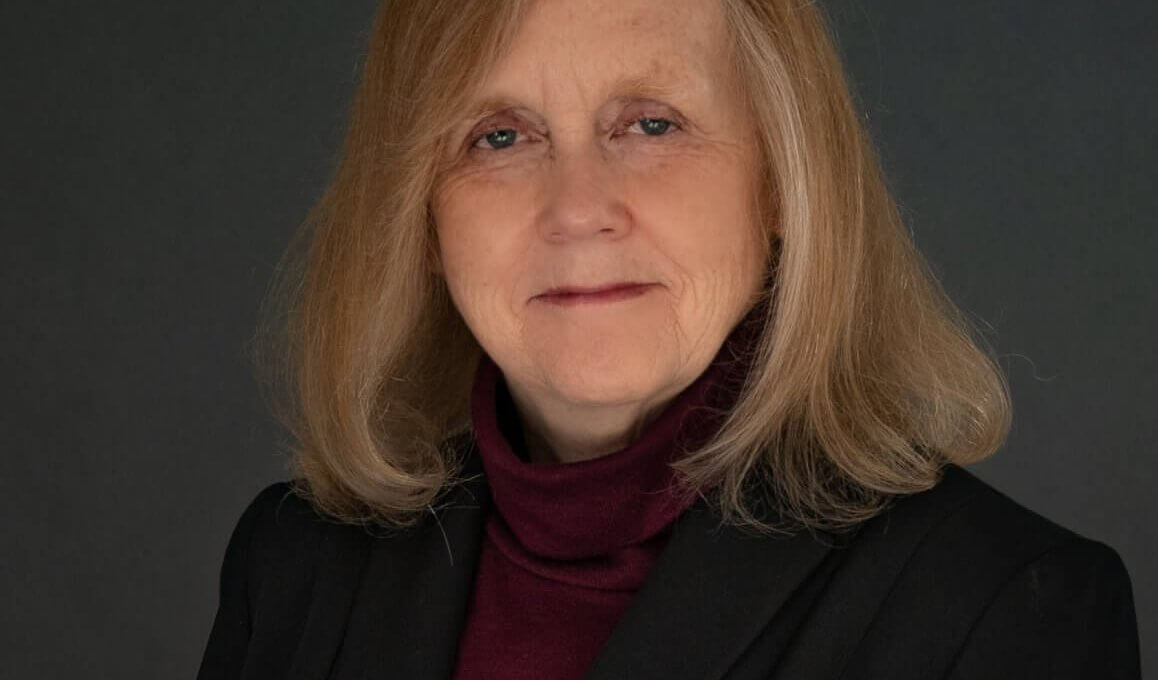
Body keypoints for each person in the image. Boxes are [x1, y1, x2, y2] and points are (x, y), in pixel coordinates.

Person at [196, 0, 1141, 678]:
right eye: (500, 137)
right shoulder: (294, 568)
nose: (577, 210)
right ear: (422, 216)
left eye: (651, 124)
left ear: (783, 183)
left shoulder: (1005, 609)